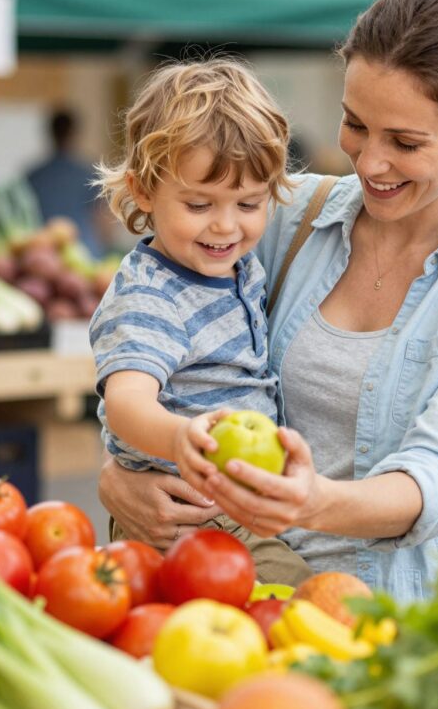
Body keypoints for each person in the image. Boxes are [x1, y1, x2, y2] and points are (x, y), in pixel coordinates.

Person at [100, 0, 438, 600]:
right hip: (222, 587)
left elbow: (433, 479)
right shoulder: (281, 215)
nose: (370, 162)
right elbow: (157, 342)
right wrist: (122, 476)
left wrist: (309, 503)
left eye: (405, 143)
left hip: (381, 611)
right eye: (355, 124)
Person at [91, 59, 313, 584]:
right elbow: (125, 403)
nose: (225, 224)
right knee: (301, 601)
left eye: (249, 203)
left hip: (229, 508)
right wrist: (182, 440)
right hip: (190, 517)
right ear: (143, 191)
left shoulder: (238, 267)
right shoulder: (151, 293)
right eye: (198, 204)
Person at [27, 109, 105, 257]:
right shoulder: (90, 174)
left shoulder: (34, 176)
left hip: (43, 255)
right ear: (74, 133)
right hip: (84, 253)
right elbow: (102, 219)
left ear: (51, 133)